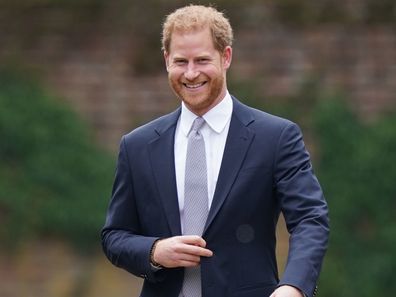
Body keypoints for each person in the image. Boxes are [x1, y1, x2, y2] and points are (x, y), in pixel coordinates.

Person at [101, 4, 329, 297]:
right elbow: (115, 236)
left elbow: (310, 219)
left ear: (226, 57)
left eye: (202, 60)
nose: (191, 73)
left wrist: (294, 287)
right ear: (166, 60)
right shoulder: (137, 145)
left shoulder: (276, 137)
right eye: (181, 61)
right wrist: (154, 250)